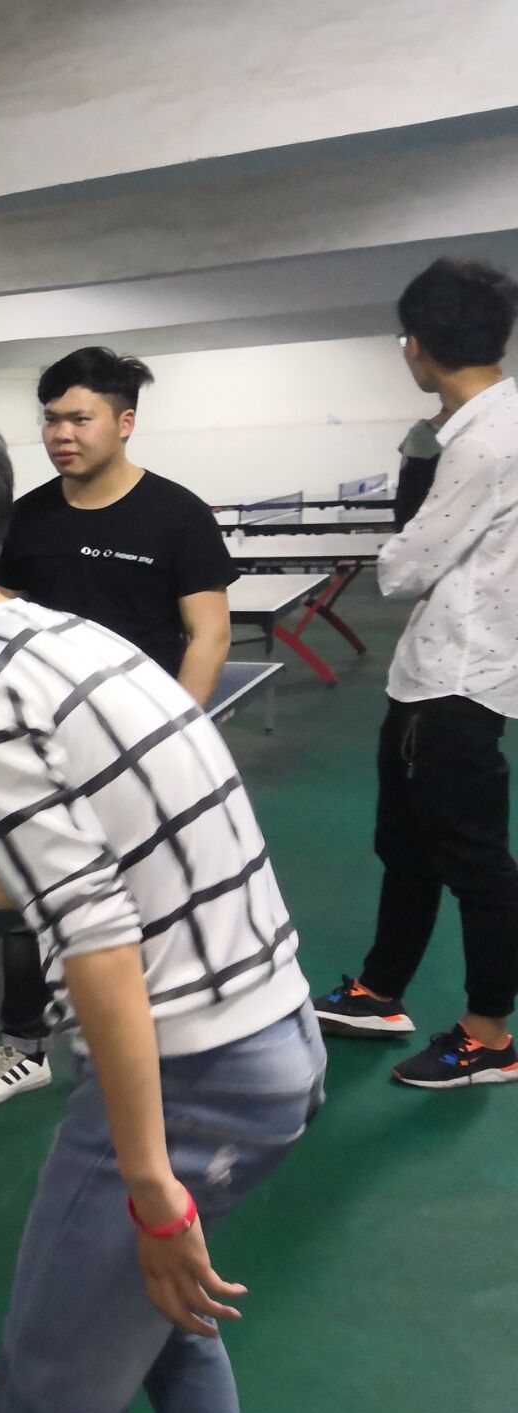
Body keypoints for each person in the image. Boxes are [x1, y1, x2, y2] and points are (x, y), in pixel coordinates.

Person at [0, 401, 323, 1413]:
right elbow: (113, 859)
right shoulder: (64, 638)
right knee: (168, 1328)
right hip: (276, 1032)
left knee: (45, 1400)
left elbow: (97, 932)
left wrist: (151, 1189)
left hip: (198, 1073)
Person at [0, 347, 237, 1106]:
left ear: (125, 421)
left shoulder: (177, 515)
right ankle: (25, 1046)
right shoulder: (25, 519)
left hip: (144, 748)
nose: (61, 434)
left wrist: (175, 737)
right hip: (40, 745)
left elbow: (209, 633)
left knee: (151, 899)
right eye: (51, 419)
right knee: (29, 890)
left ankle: (165, 1047)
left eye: (79, 418)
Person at [313, 258, 518, 1088]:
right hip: (429, 673)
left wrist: (418, 466)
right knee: (405, 844)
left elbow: (401, 568)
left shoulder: (485, 441)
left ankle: (489, 1037)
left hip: (458, 681)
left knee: (476, 863)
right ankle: (380, 990)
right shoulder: (479, 425)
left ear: (418, 345)